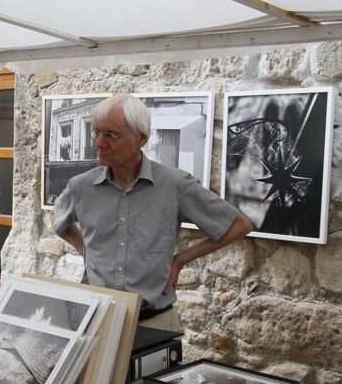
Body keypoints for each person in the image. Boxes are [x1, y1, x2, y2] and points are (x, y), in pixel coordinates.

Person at [52, 93, 253, 331]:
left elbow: (239, 225)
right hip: (97, 320)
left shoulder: (175, 185)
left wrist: (181, 260)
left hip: (155, 322)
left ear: (142, 138)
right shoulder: (81, 187)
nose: (99, 144)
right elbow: (58, 221)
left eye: (111, 135)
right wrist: (86, 251)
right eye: (97, 133)